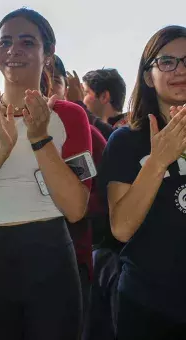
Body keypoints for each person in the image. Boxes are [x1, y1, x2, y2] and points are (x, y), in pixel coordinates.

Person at [0, 8, 92, 340]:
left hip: (51, 258)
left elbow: (76, 207)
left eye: (27, 42)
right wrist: (1, 150)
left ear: (47, 54)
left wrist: (40, 139)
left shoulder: (70, 116)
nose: (14, 50)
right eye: (5, 42)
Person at [99, 25, 186, 339]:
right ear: (149, 76)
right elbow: (121, 227)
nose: (179, 70)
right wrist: (159, 159)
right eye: (167, 62)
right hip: (147, 303)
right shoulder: (127, 140)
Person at [42, 54, 107, 339]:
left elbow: (101, 198)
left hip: (72, 261)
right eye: (36, 78)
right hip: (11, 259)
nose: (44, 88)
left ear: (64, 88)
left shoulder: (87, 133)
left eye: (53, 80)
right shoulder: (0, 135)